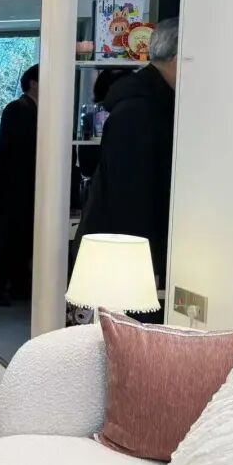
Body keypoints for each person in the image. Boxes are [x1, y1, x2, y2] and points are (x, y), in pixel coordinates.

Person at [77, 18, 179, 300]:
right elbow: (131, 196)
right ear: (177, 59)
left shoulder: (148, 102)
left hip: (126, 251)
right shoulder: (140, 111)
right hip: (126, 258)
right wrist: (147, 264)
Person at [0, 64, 39, 306]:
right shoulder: (18, 109)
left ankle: (18, 285)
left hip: (19, 186)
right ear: (33, 83)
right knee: (9, 239)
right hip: (13, 187)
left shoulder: (29, 109)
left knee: (21, 238)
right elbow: (16, 151)